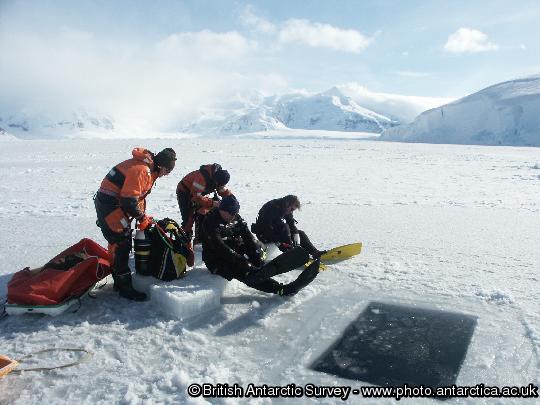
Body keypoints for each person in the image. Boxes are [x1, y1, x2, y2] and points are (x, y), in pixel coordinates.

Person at [95, 147, 176, 301]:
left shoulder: (148, 169)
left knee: (119, 242)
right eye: (168, 171)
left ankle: (118, 281)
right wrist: (141, 218)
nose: (167, 175)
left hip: (113, 204)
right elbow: (128, 200)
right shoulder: (142, 170)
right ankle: (124, 287)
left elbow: (137, 197)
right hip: (110, 206)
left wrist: (143, 215)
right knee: (122, 243)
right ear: (161, 166)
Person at [200, 195, 320, 296]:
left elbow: (247, 236)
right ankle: (279, 289)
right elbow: (219, 247)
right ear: (222, 209)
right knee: (244, 271)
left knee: (256, 256)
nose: (233, 216)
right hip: (216, 258)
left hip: (234, 249)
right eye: (230, 213)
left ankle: (259, 270)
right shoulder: (210, 222)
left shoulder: (235, 217)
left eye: (235, 213)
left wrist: (256, 253)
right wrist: (240, 260)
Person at [252, 195, 325, 259]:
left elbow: (291, 225)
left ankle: (315, 253)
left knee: (300, 233)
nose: (291, 212)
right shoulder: (270, 207)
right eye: (292, 209)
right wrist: (278, 243)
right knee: (284, 227)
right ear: (287, 204)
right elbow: (267, 228)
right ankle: (292, 254)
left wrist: (296, 238)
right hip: (264, 235)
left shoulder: (285, 209)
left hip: (277, 232)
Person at [176, 163, 232, 243]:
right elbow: (196, 197)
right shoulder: (201, 178)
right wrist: (213, 203)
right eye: (217, 184)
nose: (218, 186)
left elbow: (223, 191)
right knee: (189, 218)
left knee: (205, 211)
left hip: (197, 193)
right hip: (185, 192)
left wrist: (231, 200)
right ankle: (184, 240)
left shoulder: (218, 176)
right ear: (215, 179)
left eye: (220, 185)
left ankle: (200, 238)